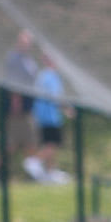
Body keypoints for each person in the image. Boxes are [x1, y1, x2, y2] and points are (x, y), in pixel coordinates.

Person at [23, 51, 72, 185]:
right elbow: (56, 98)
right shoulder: (51, 76)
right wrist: (67, 109)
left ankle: (51, 173)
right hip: (50, 116)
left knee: (49, 144)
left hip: (42, 116)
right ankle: (34, 161)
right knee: (52, 144)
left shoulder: (42, 76)